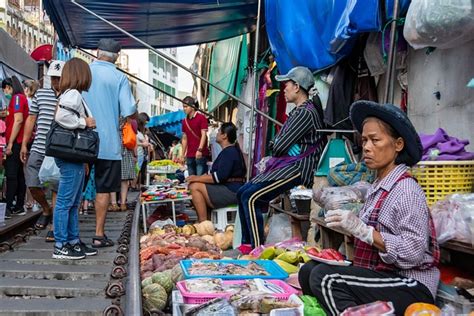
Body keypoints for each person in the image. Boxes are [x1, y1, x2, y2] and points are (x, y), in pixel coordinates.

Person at [298, 101, 440, 315]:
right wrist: (351, 226)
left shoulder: (406, 190)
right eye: (364, 140)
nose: (366, 147)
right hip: (381, 275)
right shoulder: (377, 186)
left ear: (398, 145)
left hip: (411, 286)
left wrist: (364, 231)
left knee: (325, 278)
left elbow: (413, 252)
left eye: (375, 140)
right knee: (309, 270)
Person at [237, 66, 327, 248]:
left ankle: (255, 248)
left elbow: (277, 146)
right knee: (243, 192)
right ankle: (246, 244)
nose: (284, 88)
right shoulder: (298, 111)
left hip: (300, 168)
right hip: (289, 163)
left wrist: (282, 146)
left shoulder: (304, 113)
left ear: (297, 87)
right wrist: (282, 145)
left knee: (252, 197)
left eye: (287, 84)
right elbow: (277, 144)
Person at [82, 38, 136, 248]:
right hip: (108, 143)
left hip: (82, 141)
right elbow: (129, 109)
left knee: (74, 187)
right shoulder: (119, 77)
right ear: (117, 57)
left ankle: (66, 236)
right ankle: (98, 234)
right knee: (103, 189)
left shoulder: (84, 71)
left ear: (97, 52)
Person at [52, 58, 98, 260]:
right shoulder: (73, 94)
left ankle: (72, 241)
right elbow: (62, 117)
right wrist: (84, 122)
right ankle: (61, 244)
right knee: (66, 201)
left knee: (72, 201)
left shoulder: (71, 93)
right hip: (70, 156)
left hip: (72, 156)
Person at [21, 60, 65, 241]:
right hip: (39, 146)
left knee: (56, 186)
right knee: (32, 183)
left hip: (57, 149)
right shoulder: (41, 94)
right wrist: (24, 143)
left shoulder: (70, 96)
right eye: (53, 78)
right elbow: (31, 119)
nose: (56, 82)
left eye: (59, 78)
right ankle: (46, 209)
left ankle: (54, 225)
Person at [187, 123, 246, 222]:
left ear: (224, 135)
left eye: (219, 131)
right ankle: (207, 221)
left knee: (194, 186)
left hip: (232, 191)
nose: (217, 133)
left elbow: (219, 177)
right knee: (198, 185)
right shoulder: (229, 151)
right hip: (230, 188)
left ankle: (203, 223)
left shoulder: (229, 152)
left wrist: (196, 178)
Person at [4, 76, 29, 218]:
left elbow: (18, 120)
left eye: (5, 89)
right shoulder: (20, 98)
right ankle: (19, 206)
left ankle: (8, 207)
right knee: (19, 174)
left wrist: (11, 143)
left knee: (12, 174)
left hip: (16, 142)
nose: (5, 92)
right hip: (19, 142)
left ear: (9, 87)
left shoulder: (17, 98)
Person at [181, 96, 209, 176]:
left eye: (186, 106)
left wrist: (199, 150)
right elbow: (184, 138)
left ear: (193, 106)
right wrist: (183, 155)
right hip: (189, 154)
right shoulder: (184, 121)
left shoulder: (201, 118)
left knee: (200, 179)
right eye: (183, 107)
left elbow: (204, 134)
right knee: (191, 179)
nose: (184, 109)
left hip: (201, 154)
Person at [136, 112, 150, 186]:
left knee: (139, 170)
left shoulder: (140, 132)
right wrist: (143, 143)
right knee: (137, 170)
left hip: (141, 154)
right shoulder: (137, 132)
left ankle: (137, 184)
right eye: (145, 123)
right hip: (138, 153)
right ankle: (134, 185)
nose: (146, 125)